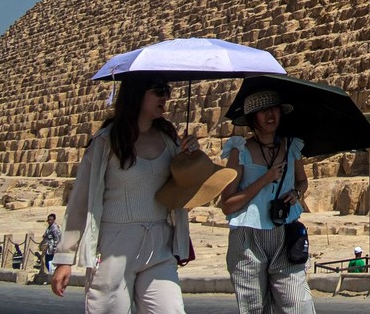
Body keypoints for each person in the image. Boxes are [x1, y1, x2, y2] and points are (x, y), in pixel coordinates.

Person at [49, 76, 198, 312]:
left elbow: (183, 191)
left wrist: (189, 159)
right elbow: (80, 201)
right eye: (159, 90)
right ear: (137, 93)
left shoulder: (170, 141)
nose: (166, 97)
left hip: (159, 244)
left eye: (167, 90)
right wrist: (64, 259)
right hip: (114, 248)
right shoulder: (107, 142)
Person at [219, 89, 314, 314]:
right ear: (252, 119)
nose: (269, 115)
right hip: (248, 239)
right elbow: (228, 204)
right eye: (262, 111)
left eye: (273, 109)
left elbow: (302, 181)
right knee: (253, 307)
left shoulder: (292, 147)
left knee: (298, 304)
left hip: (285, 233)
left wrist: (297, 194)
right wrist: (266, 178)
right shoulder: (239, 151)